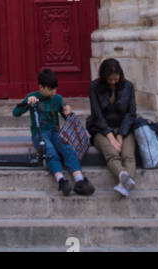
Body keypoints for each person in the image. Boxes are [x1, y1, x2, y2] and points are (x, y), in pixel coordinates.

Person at [12, 67, 95, 197]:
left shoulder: (57, 99)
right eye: (50, 89)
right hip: (40, 134)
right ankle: (61, 180)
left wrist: (68, 111)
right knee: (50, 150)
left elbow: (65, 116)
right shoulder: (32, 97)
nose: (53, 92)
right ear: (41, 87)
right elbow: (15, 113)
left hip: (56, 132)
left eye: (55, 89)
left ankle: (79, 180)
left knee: (67, 149)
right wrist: (27, 103)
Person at [86, 57, 138, 197]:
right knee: (112, 153)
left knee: (128, 155)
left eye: (116, 79)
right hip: (101, 129)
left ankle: (124, 185)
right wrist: (110, 136)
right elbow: (96, 114)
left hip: (124, 127)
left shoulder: (128, 86)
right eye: (110, 80)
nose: (113, 82)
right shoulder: (95, 87)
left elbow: (131, 113)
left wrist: (121, 135)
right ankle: (123, 175)